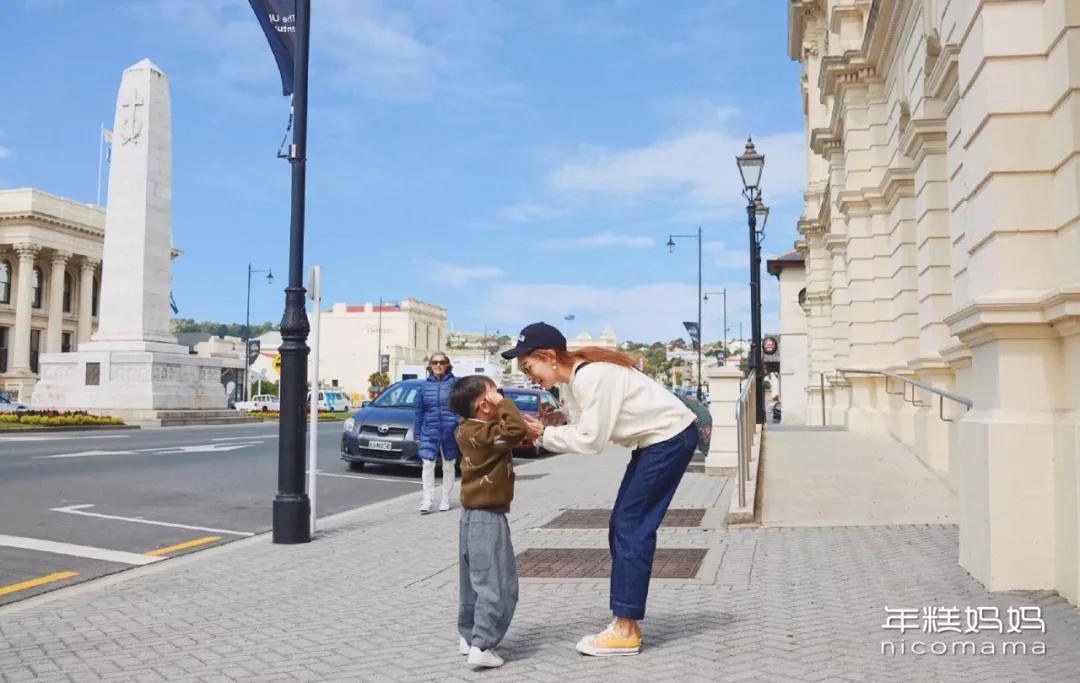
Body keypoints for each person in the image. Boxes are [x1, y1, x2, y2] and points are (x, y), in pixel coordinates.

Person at [502, 322, 697, 657]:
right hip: (660, 441)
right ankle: (625, 623)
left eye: (528, 366)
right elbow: (581, 429)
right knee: (624, 526)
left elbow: (592, 440)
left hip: (667, 439)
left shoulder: (592, 376)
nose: (528, 375)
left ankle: (626, 629)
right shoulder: (577, 380)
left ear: (548, 356)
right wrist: (544, 431)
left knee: (630, 527)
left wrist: (541, 435)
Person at [448, 375, 526, 669]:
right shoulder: (485, 434)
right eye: (496, 394)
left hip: (472, 516)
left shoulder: (468, 429)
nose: (502, 397)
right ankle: (483, 645)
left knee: (472, 582)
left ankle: (468, 637)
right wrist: (503, 403)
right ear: (483, 404)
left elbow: (515, 429)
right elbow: (516, 430)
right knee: (498, 582)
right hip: (487, 516)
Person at [413, 352, 460, 514]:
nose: (438, 365)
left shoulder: (455, 385)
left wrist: (459, 424)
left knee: (448, 465)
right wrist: (417, 434)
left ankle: (445, 499)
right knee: (427, 465)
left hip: (450, 431)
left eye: (442, 362)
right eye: (435, 362)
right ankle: (427, 500)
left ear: (447, 365)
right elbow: (419, 411)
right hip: (429, 430)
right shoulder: (424, 387)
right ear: (430, 366)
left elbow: (461, 408)